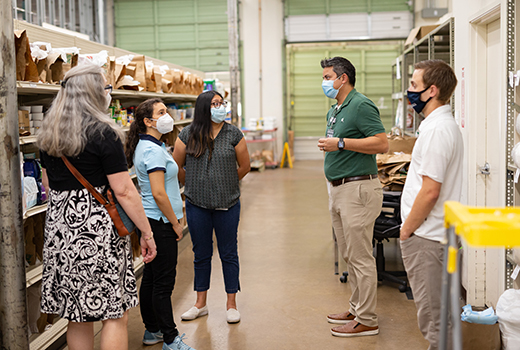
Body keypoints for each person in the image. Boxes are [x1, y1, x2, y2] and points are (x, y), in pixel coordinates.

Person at [37, 63, 157, 350]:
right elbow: (124, 190)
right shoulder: (104, 132)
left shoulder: (48, 134)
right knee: (114, 315)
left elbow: (49, 184)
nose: (109, 92)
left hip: (61, 231)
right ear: (92, 92)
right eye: (106, 87)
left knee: (77, 316)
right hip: (97, 232)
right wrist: (147, 233)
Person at [317, 57, 388, 337]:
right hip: (338, 189)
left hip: (357, 190)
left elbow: (381, 143)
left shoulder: (360, 105)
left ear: (342, 78)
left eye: (327, 77)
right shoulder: (335, 109)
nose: (324, 82)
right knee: (349, 254)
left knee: (360, 257)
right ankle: (357, 307)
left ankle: (367, 320)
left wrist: (342, 143)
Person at [400, 59, 463, 350]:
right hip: (433, 234)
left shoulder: (438, 130)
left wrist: (406, 230)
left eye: (414, 85)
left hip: (427, 237)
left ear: (432, 90)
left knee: (434, 320)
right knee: (438, 315)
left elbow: (430, 192)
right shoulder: (437, 126)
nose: (409, 90)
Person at [173, 91, 250, 324]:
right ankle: (200, 303)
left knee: (229, 253)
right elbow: (176, 165)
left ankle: (231, 304)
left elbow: (245, 166)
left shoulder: (233, 133)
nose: (220, 107)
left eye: (221, 103)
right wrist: (193, 183)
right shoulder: (187, 134)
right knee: (201, 254)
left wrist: (226, 182)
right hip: (197, 205)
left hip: (228, 204)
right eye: (215, 103)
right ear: (204, 108)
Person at [125, 98, 195, 350]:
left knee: (152, 279)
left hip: (152, 220)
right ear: (148, 121)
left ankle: (152, 330)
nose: (168, 116)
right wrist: (176, 223)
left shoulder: (150, 145)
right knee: (163, 283)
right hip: (161, 221)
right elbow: (158, 193)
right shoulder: (153, 151)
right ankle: (170, 338)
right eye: (162, 112)